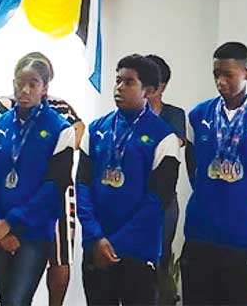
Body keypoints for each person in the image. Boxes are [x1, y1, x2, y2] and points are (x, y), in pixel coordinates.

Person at [181, 42, 247, 305]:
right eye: (216, 74)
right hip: (199, 233)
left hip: (242, 238)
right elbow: (194, 169)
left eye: (228, 74)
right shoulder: (198, 115)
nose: (220, 81)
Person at [77, 54, 180, 305]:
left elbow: (157, 200)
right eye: (117, 81)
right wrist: (95, 237)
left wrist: (114, 244)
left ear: (149, 90)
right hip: (96, 245)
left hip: (138, 249)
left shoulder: (164, 138)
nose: (119, 88)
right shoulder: (96, 129)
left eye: (129, 83)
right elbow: (82, 186)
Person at [0, 52, 75, 305]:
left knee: (17, 301)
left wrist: (12, 223)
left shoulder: (60, 129)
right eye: (20, 83)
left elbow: (54, 187)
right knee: (6, 299)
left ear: (45, 88)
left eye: (33, 84)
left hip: (33, 232)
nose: (25, 90)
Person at [144, 54, 186, 305]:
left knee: (159, 259)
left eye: (152, 85)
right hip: (129, 198)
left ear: (162, 87)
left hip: (163, 202)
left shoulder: (174, 115)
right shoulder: (124, 117)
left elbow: (172, 145)